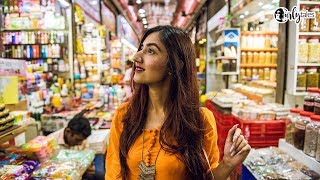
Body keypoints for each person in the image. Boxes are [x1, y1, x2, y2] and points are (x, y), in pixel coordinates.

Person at [105, 25, 251, 180]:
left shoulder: (199, 120)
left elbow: (205, 177)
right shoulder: (125, 115)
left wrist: (227, 164)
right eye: (141, 48)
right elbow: (114, 174)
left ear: (175, 64)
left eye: (151, 51)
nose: (136, 57)